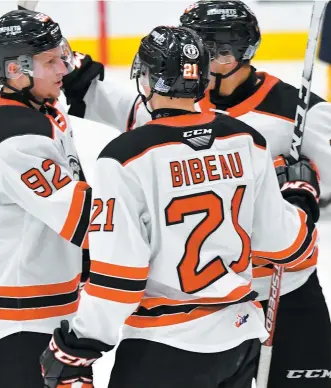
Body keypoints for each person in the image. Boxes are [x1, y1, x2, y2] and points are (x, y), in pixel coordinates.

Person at [60, 1, 331, 386]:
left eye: (222, 50)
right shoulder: (188, 112)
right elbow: (120, 107)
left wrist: (309, 193)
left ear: (245, 50)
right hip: (225, 303)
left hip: (283, 287)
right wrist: (72, 71)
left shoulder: (301, 114)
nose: (211, 60)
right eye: (204, 51)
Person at [0, 9, 92, 388]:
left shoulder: (40, 115)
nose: (64, 67)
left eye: (62, 54)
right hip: (15, 318)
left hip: (38, 303)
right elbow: (85, 221)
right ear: (15, 70)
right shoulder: (16, 135)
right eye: (50, 61)